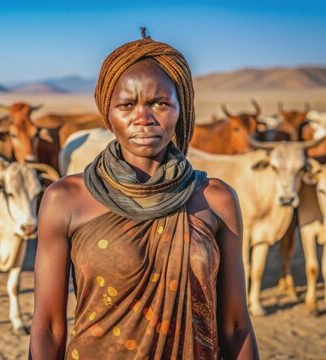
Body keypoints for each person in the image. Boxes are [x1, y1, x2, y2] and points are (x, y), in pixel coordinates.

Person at [29, 29, 259, 359]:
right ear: (107, 112)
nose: (143, 118)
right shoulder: (64, 199)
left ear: (182, 109)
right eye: (126, 104)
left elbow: (236, 326)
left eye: (159, 103)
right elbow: (48, 328)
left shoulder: (216, 199)